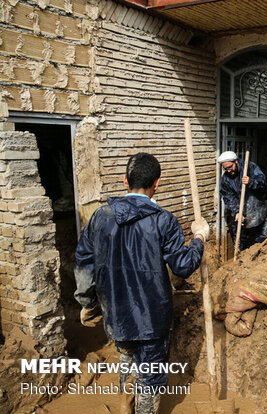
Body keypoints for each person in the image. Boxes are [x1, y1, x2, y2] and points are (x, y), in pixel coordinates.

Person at [74, 153, 210, 414]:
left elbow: (83, 263)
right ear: (156, 184)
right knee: (149, 377)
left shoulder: (100, 218)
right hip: (152, 318)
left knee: (126, 361)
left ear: (125, 181)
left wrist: (87, 302)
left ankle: (126, 407)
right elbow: (183, 265)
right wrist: (199, 238)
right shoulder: (163, 220)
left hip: (115, 313)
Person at [218, 151, 267, 251]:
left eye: (230, 167)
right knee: (239, 245)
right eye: (225, 168)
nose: (228, 170)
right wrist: (236, 211)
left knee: (263, 244)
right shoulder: (226, 179)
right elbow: (228, 197)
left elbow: (263, 182)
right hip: (240, 217)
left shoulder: (250, 168)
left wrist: (251, 182)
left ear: (236, 161)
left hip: (257, 212)